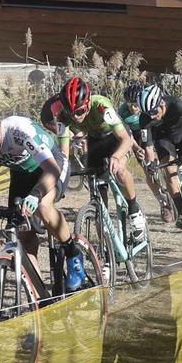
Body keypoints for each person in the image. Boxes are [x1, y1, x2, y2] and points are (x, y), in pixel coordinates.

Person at [0, 97, 83, 287]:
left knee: (43, 206)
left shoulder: (18, 132)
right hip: (21, 173)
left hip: (52, 164)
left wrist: (36, 195)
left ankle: (73, 253)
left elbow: (52, 170)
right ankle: (39, 296)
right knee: (24, 234)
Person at [50, 77, 145, 241]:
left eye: (79, 111)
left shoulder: (101, 106)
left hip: (116, 138)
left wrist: (116, 156)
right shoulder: (62, 116)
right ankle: (106, 251)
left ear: (87, 104)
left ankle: (134, 209)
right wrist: (61, 176)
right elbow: (64, 154)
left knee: (120, 172)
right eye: (70, 113)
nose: (75, 117)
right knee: (99, 201)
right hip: (95, 141)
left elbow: (126, 139)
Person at [126, 82, 182, 225]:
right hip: (164, 140)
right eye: (148, 113)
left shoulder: (177, 103)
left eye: (153, 111)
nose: (151, 116)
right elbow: (149, 145)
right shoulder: (144, 119)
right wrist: (151, 163)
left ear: (162, 103)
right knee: (169, 173)